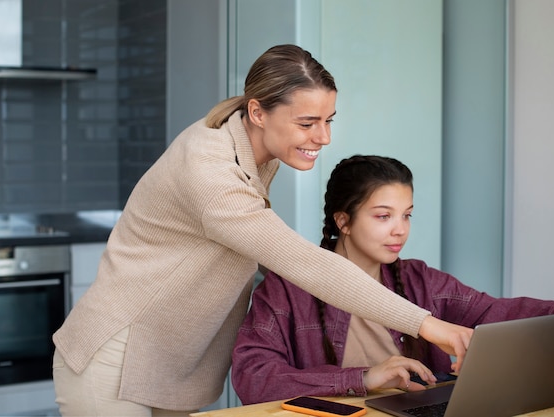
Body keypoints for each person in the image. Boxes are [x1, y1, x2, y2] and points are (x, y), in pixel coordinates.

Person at [51, 45, 474, 416]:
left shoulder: (255, 150)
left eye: (328, 119)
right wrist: (427, 325)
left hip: (166, 357)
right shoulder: (210, 170)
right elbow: (304, 262)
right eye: (307, 122)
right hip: (117, 354)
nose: (323, 137)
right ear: (257, 111)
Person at [231, 154, 554, 405]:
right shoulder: (287, 288)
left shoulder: (419, 279)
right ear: (343, 221)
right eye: (383, 216)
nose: (400, 230)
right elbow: (254, 377)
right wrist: (363, 378)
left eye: (407, 215)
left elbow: (492, 312)